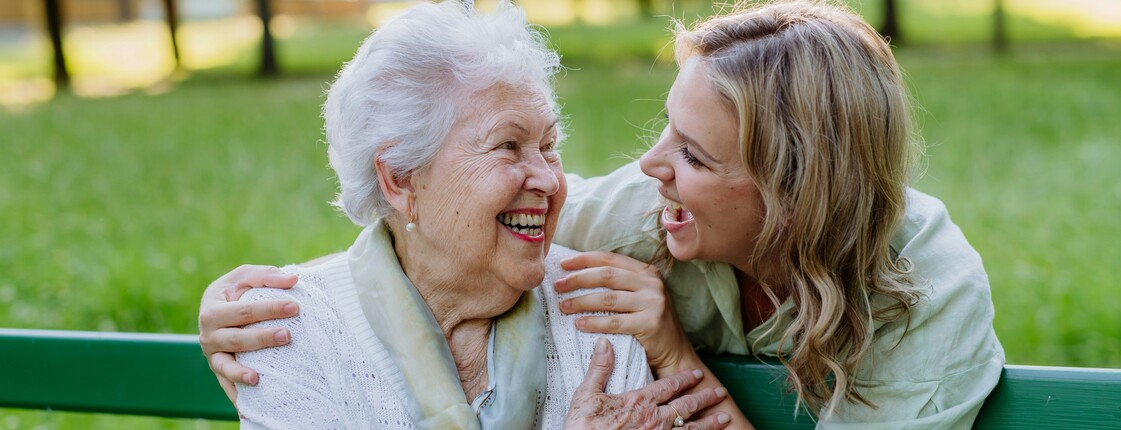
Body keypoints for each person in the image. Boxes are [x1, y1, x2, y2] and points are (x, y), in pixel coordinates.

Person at [201, 1, 1005, 428]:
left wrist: (667, 350)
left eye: (692, 156)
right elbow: (441, 228)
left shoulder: (923, 299)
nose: (650, 168)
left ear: (792, 196)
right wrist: (253, 309)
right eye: (665, 133)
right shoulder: (634, 217)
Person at [205, 2, 731, 428]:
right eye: (507, 146)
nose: (548, 179)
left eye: (549, 145)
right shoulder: (289, 331)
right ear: (401, 180)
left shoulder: (599, 314)